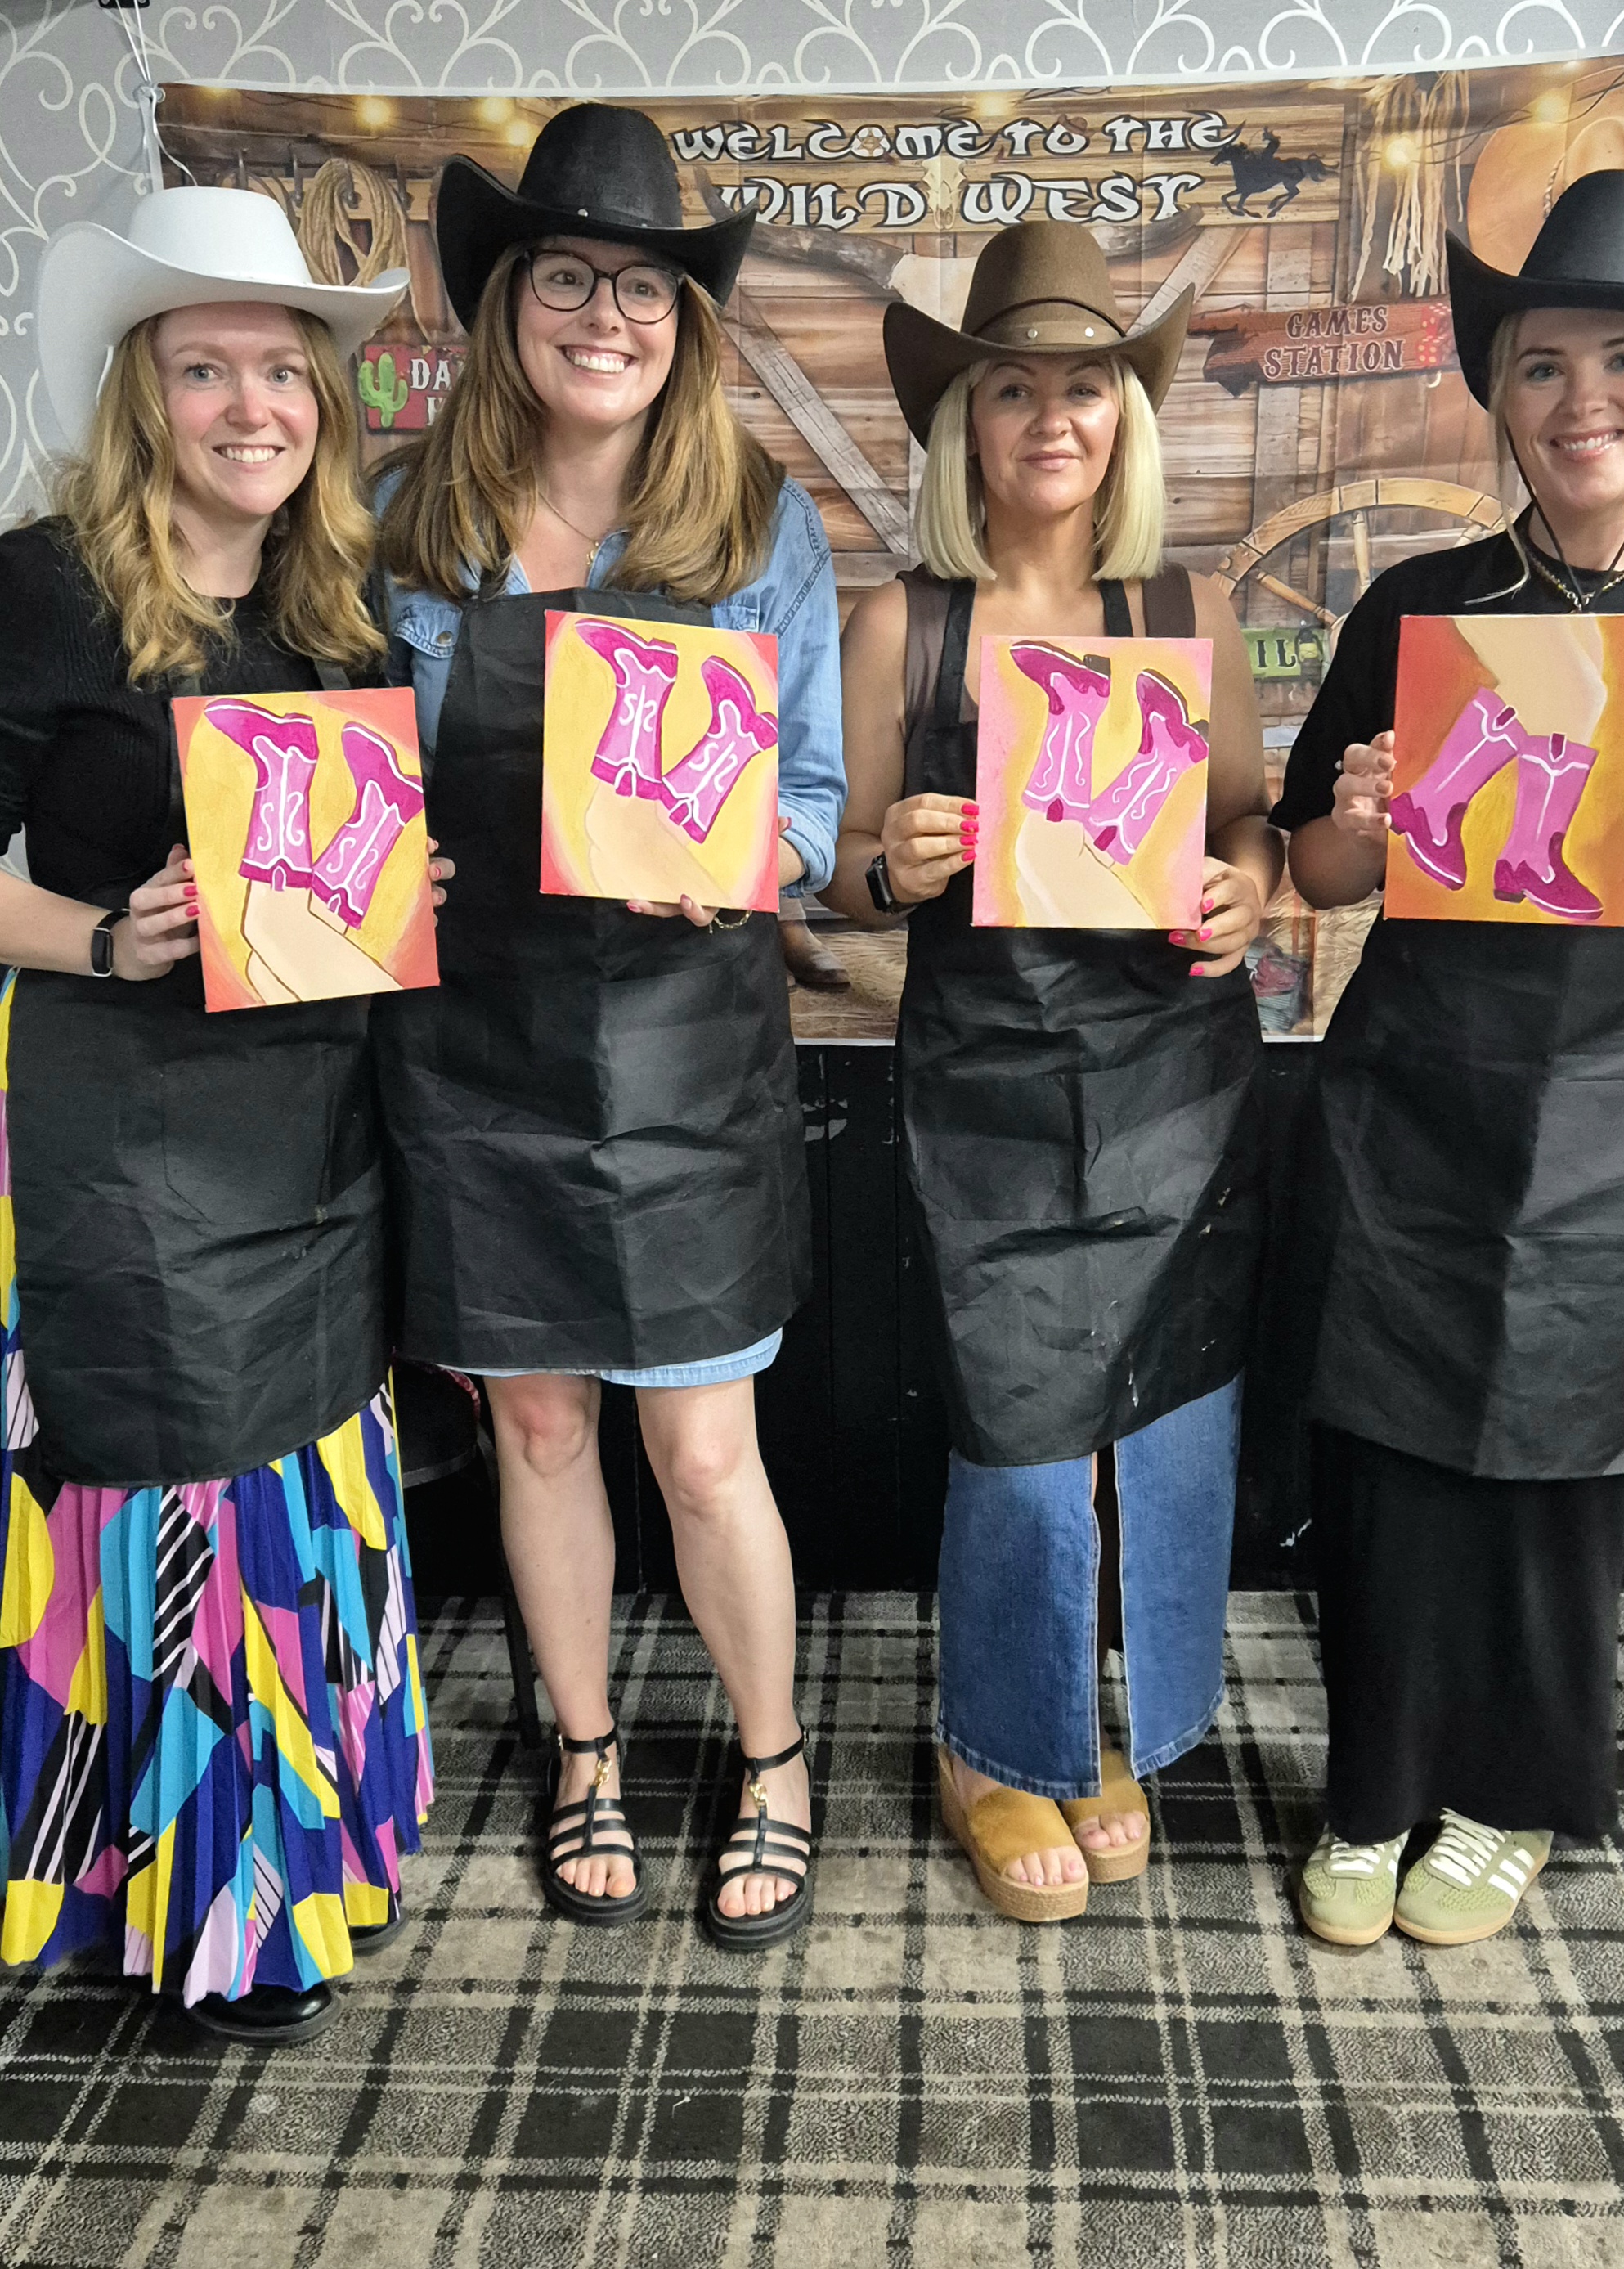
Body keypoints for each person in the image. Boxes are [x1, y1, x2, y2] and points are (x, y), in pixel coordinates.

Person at [1276, 170, 1624, 1949]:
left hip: (1615, 1119)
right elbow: (1310, 875)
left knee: (1563, 1486)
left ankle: (1510, 1799)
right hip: (1411, 1101)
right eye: (1543, 362)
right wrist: (1347, 816)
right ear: (1494, 391)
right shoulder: (1415, 605)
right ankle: (1370, 1792)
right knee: (1391, 1468)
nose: (1584, 400)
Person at [375, 105, 844, 1949]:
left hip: (679, 1053)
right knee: (544, 1433)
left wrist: (737, 866)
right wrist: (353, 863)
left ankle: (775, 1751)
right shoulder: (411, 519)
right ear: (505, 304)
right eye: (566, 276)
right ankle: (583, 1747)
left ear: (683, 324)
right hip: (473, 1049)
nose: (604, 314)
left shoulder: (756, 520)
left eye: (641, 287)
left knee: (704, 1450)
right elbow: (343, 775)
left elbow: (808, 801)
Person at [0, 187, 440, 2044]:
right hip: (124, 1117)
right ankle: (193, 1903)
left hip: (317, 1127)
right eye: (206, 368)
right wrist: (106, 933)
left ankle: (298, 1848)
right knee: (176, 1473)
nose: (251, 403)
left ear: (328, 407)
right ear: (141, 391)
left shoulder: (349, 618)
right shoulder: (41, 587)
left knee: (302, 1464)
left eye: (284, 368)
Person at [826, 221, 1280, 1921]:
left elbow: (1246, 820)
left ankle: (1093, 1720)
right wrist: (899, 866)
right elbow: (833, 867)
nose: (1049, 416)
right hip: (991, 1087)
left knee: (1148, 1418)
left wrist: (1247, 882)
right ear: (967, 424)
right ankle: (992, 1741)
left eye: (1082, 387)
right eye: (1013, 386)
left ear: (1123, 419)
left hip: (1174, 1077)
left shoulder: (1188, 611)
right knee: (1016, 1429)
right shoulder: (903, 624)